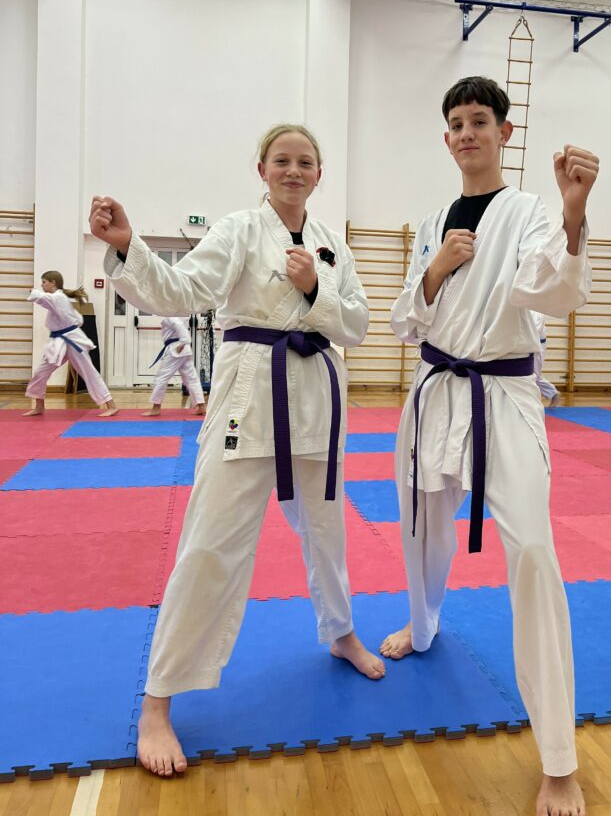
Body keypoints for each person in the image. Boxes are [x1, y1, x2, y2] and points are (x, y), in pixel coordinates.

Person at [89, 124, 384, 779]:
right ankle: (158, 700)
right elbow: (181, 292)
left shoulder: (332, 244)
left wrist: (315, 290)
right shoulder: (239, 231)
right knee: (210, 543)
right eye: (282, 160)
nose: (293, 170)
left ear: (319, 173)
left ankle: (341, 633)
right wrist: (129, 247)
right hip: (250, 394)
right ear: (262, 169)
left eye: (304, 161)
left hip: (317, 397)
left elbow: (359, 324)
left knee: (328, 532)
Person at [379, 76, 598, 816]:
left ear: (505, 132)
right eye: (457, 123)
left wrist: (574, 214)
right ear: (446, 139)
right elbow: (407, 317)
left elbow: (553, 293)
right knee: (419, 528)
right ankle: (424, 625)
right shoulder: (432, 221)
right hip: (434, 390)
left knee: (533, 551)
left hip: (503, 396)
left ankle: (559, 759)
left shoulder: (530, 212)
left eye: (480, 120)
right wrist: (436, 267)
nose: (467, 132)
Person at [24, 271, 118, 417]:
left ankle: (111, 405)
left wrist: (34, 292)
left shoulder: (59, 297)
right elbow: (76, 318)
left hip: (72, 341)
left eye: (44, 282)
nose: (42, 285)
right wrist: (37, 294)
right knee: (41, 372)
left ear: (53, 282)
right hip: (59, 341)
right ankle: (39, 406)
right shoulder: (58, 298)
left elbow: (44, 298)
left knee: (89, 372)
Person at [143, 316, 206, 416]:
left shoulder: (170, 315)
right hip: (183, 350)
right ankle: (201, 406)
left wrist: (184, 342)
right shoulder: (177, 313)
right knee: (191, 378)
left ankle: (156, 407)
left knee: (161, 377)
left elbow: (178, 325)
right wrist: (184, 343)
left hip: (176, 349)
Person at [531, 311, 561, 408]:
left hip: (537, 346)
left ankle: (553, 393)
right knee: (529, 375)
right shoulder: (526, 310)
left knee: (535, 376)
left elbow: (535, 331)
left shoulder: (537, 312)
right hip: (528, 346)